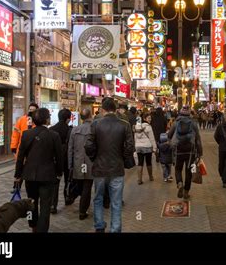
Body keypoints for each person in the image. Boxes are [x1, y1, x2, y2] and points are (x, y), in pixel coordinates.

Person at [85, 97, 135, 233]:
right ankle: (115, 228)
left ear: (102, 109)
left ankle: (99, 225)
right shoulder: (125, 125)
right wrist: (123, 159)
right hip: (117, 168)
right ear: (116, 109)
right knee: (116, 201)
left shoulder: (95, 124)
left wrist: (94, 157)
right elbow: (130, 147)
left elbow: (88, 145)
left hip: (99, 168)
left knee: (98, 198)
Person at [14, 108, 63, 233]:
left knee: (32, 203)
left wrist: (17, 175)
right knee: (45, 207)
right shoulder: (54, 135)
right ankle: (42, 230)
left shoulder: (26, 134)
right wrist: (59, 173)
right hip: (47, 175)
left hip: (29, 175)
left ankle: (33, 227)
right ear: (46, 119)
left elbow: (20, 157)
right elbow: (59, 157)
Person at [168, 106, 203, 201]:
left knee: (178, 169)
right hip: (190, 151)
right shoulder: (193, 123)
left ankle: (179, 184)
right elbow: (198, 139)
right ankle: (186, 193)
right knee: (189, 172)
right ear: (189, 113)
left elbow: (169, 135)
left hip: (178, 150)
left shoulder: (176, 122)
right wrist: (200, 152)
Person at [67, 108, 94, 220]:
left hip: (78, 162)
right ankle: (82, 211)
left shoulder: (75, 130)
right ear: (90, 116)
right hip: (90, 163)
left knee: (80, 185)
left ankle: (75, 200)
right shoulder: (94, 130)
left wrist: (70, 165)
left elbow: (70, 149)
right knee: (87, 187)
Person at [49, 108, 73, 214]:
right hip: (67, 159)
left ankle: (53, 205)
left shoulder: (51, 129)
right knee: (68, 180)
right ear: (68, 119)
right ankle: (67, 198)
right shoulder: (70, 130)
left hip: (54, 159)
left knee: (55, 183)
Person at [134, 112, 158, 184]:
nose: (150, 119)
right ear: (144, 119)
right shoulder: (148, 127)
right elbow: (152, 138)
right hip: (147, 146)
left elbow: (135, 137)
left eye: (150, 118)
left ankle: (139, 179)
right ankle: (150, 177)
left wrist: (136, 146)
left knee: (140, 163)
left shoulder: (137, 126)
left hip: (139, 147)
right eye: (148, 118)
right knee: (148, 162)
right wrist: (155, 148)